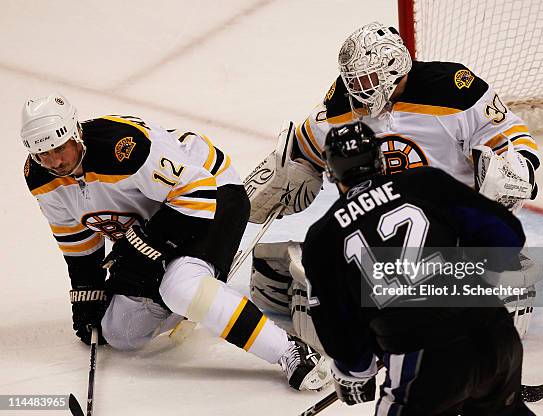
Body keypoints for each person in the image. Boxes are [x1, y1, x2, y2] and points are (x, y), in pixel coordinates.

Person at [245, 21, 541, 342]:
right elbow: (304, 146)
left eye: (367, 79)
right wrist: (286, 174)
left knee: (320, 290)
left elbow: (506, 133)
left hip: (450, 232)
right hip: (381, 233)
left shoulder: (452, 90)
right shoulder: (343, 103)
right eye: (353, 80)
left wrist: (516, 169)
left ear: (393, 65)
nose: (358, 88)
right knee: (279, 272)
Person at [20, 93, 330, 391]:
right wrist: (88, 291)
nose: (54, 160)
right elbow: (75, 236)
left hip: (214, 195)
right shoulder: (40, 176)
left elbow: (197, 194)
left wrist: (143, 250)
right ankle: (200, 297)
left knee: (182, 288)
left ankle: (288, 351)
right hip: (157, 217)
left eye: (60, 147)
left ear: (76, 133)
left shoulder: (124, 148)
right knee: (120, 331)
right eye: (42, 153)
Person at [302, 121, 535, 415]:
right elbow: (508, 235)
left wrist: (354, 370)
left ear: (332, 172)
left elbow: (344, 335)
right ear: (381, 160)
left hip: (426, 358)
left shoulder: (323, 237)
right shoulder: (426, 183)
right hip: (495, 333)